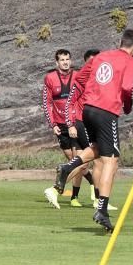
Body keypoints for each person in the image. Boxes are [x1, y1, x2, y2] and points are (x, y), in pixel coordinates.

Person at [54, 28, 133, 232]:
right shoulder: (131, 61)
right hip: (106, 111)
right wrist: (127, 105)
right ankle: (102, 209)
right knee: (111, 159)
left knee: (96, 148)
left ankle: (68, 168)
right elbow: (128, 88)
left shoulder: (102, 56)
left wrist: (95, 91)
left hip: (88, 110)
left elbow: (80, 78)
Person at [42, 49, 91, 209]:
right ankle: (92, 183)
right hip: (61, 126)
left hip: (76, 123)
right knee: (74, 162)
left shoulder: (78, 76)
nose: (65, 62)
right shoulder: (49, 78)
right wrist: (53, 125)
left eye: (67, 59)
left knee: (80, 162)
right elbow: (46, 103)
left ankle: (69, 194)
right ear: (57, 62)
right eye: (62, 60)